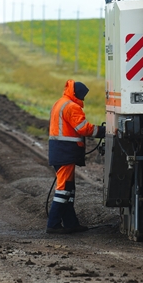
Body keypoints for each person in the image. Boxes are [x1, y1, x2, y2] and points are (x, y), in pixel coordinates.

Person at [47, 80, 105, 234]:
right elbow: (83, 128)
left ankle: (71, 223)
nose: (84, 99)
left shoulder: (60, 103)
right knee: (64, 189)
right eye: (83, 96)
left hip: (61, 151)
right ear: (77, 94)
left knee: (69, 189)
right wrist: (103, 131)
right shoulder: (72, 107)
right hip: (65, 152)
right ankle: (53, 224)